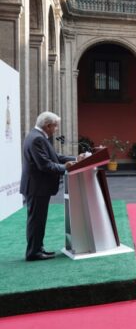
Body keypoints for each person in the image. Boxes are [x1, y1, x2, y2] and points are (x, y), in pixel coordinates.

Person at [21, 112, 79, 261]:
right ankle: (33, 252)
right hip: (37, 187)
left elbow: (55, 157)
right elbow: (45, 165)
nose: (56, 129)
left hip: (37, 187)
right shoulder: (37, 139)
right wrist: (66, 167)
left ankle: (38, 249)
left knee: (38, 220)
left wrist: (77, 159)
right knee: (36, 221)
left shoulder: (37, 136)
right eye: (55, 125)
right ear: (47, 126)